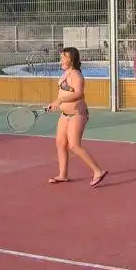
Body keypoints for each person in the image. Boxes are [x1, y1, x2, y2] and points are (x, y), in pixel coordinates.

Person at [46, 47, 108, 188]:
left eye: (64, 57)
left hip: (77, 114)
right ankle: (63, 175)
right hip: (65, 114)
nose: (61, 59)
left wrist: (60, 101)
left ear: (71, 59)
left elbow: (79, 93)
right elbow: (63, 94)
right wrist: (54, 104)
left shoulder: (76, 74)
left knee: (74, 145)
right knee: (60, 143)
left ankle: (98, 171)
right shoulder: (64, 74)